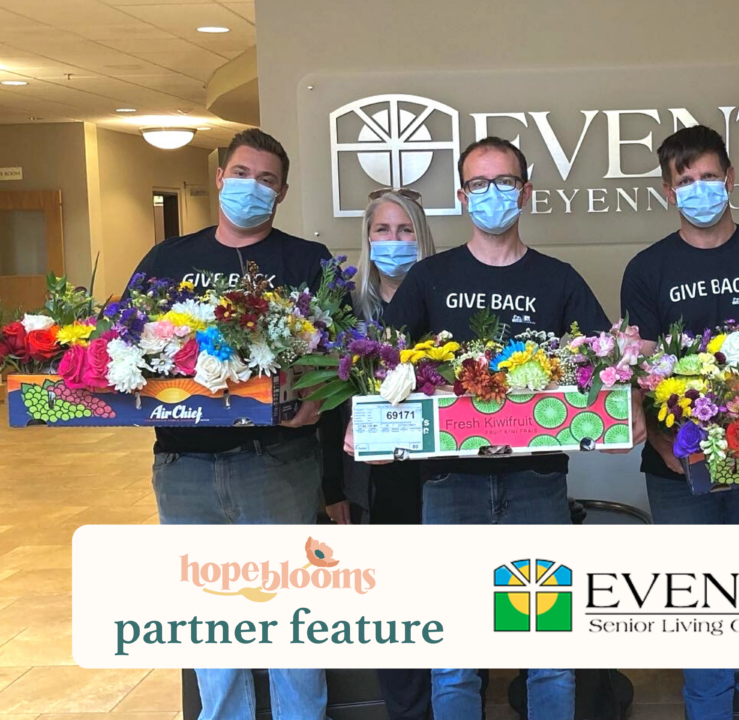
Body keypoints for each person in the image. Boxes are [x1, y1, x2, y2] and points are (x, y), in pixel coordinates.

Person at [384, 136, 611, 720]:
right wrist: (367, 425)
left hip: (536, 484)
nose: (492, 195)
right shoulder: (429, 279)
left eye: (504, 183)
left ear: (526, 193)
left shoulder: (559, 281)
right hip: (447, 485)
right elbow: (379, 367)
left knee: (548, 655)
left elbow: (603, 364)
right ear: (462, 197)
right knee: (456, 656)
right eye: (479, 185)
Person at [129, 128, 338, 720]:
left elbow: (343, 355)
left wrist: (319, 400)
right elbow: (124, 344)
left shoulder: (306, 261)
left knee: (292, 619)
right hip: (183, 465)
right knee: (209, 623)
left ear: (283, 192)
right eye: (242, 173)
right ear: (221, 178)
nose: (253, 187)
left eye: (266, 180)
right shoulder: (169, 260)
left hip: (276, 461)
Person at [620, 125, 739, 720]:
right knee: (699, 612)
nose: (698, 188)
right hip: (678, 471)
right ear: (667, 191)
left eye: (708, 177)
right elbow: (642, 371)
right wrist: (662, 441)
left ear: (730, 178)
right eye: (685, 181)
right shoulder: (646, 269)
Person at [334, 189, 436, 720]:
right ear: (367, 240)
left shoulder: (446, 298)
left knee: (450, 605)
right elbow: (329, 409)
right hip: (374, 486)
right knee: (396, 614)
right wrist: (334, 490)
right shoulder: (345, 311)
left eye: (405, 231)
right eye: (383, 231)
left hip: (441, 479)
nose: (394, 242)